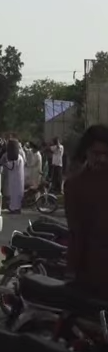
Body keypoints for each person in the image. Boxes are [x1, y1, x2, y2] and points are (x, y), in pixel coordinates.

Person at [65, 125, 108, 299]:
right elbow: (76, 233)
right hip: (92, 273)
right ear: (86, 152)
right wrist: (72, 271)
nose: (102, 159)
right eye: (96, 153)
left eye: (106, 154)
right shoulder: (75, 186)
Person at [2, 139, 25, 214]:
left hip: (15, 181)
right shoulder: (19, 157)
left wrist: (5, 163)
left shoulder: (16, 159)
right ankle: (16, 208)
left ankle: (15, 209)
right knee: (16, 195)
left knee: (15, 195)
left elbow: (10, 166)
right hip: (16, 180)